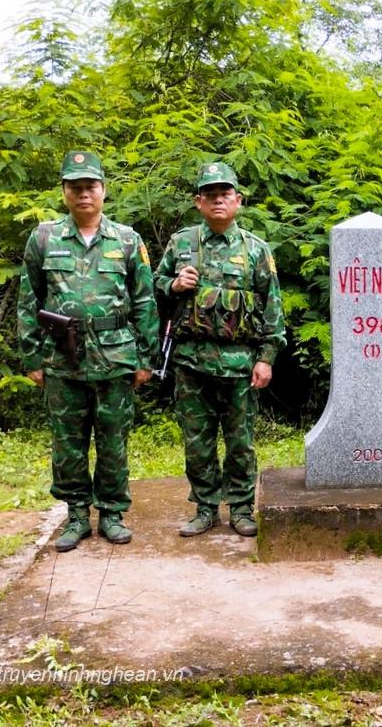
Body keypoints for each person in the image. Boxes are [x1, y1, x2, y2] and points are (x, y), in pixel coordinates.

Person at [17, 150, 158, 552]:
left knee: (113, 439)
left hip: (115, 356)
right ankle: (77, 515)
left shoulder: (128, 239)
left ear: (103, 190)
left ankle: (111, 513)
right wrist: (32, 357)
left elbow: (145, 300)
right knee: (68, 442)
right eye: (75, 186)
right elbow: (29, 299)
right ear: (64, 191)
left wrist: (144, 358)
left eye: (90, 186)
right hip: (62, 357)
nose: (83, 194)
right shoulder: (43, 238)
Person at [154, 162, 285, 538]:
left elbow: (272, 307)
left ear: (238, 201)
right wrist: (175, 284)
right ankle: (206, 508)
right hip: (190, 363)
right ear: (198, 202)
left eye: (225, 194)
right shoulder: (181, 244)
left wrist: (266, 358)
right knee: (197, 442)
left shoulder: (256, 250)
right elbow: (154, 286)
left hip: (239, 365)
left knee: (240, 442)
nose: (218, 200)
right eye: (209, 195)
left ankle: (242, 507)